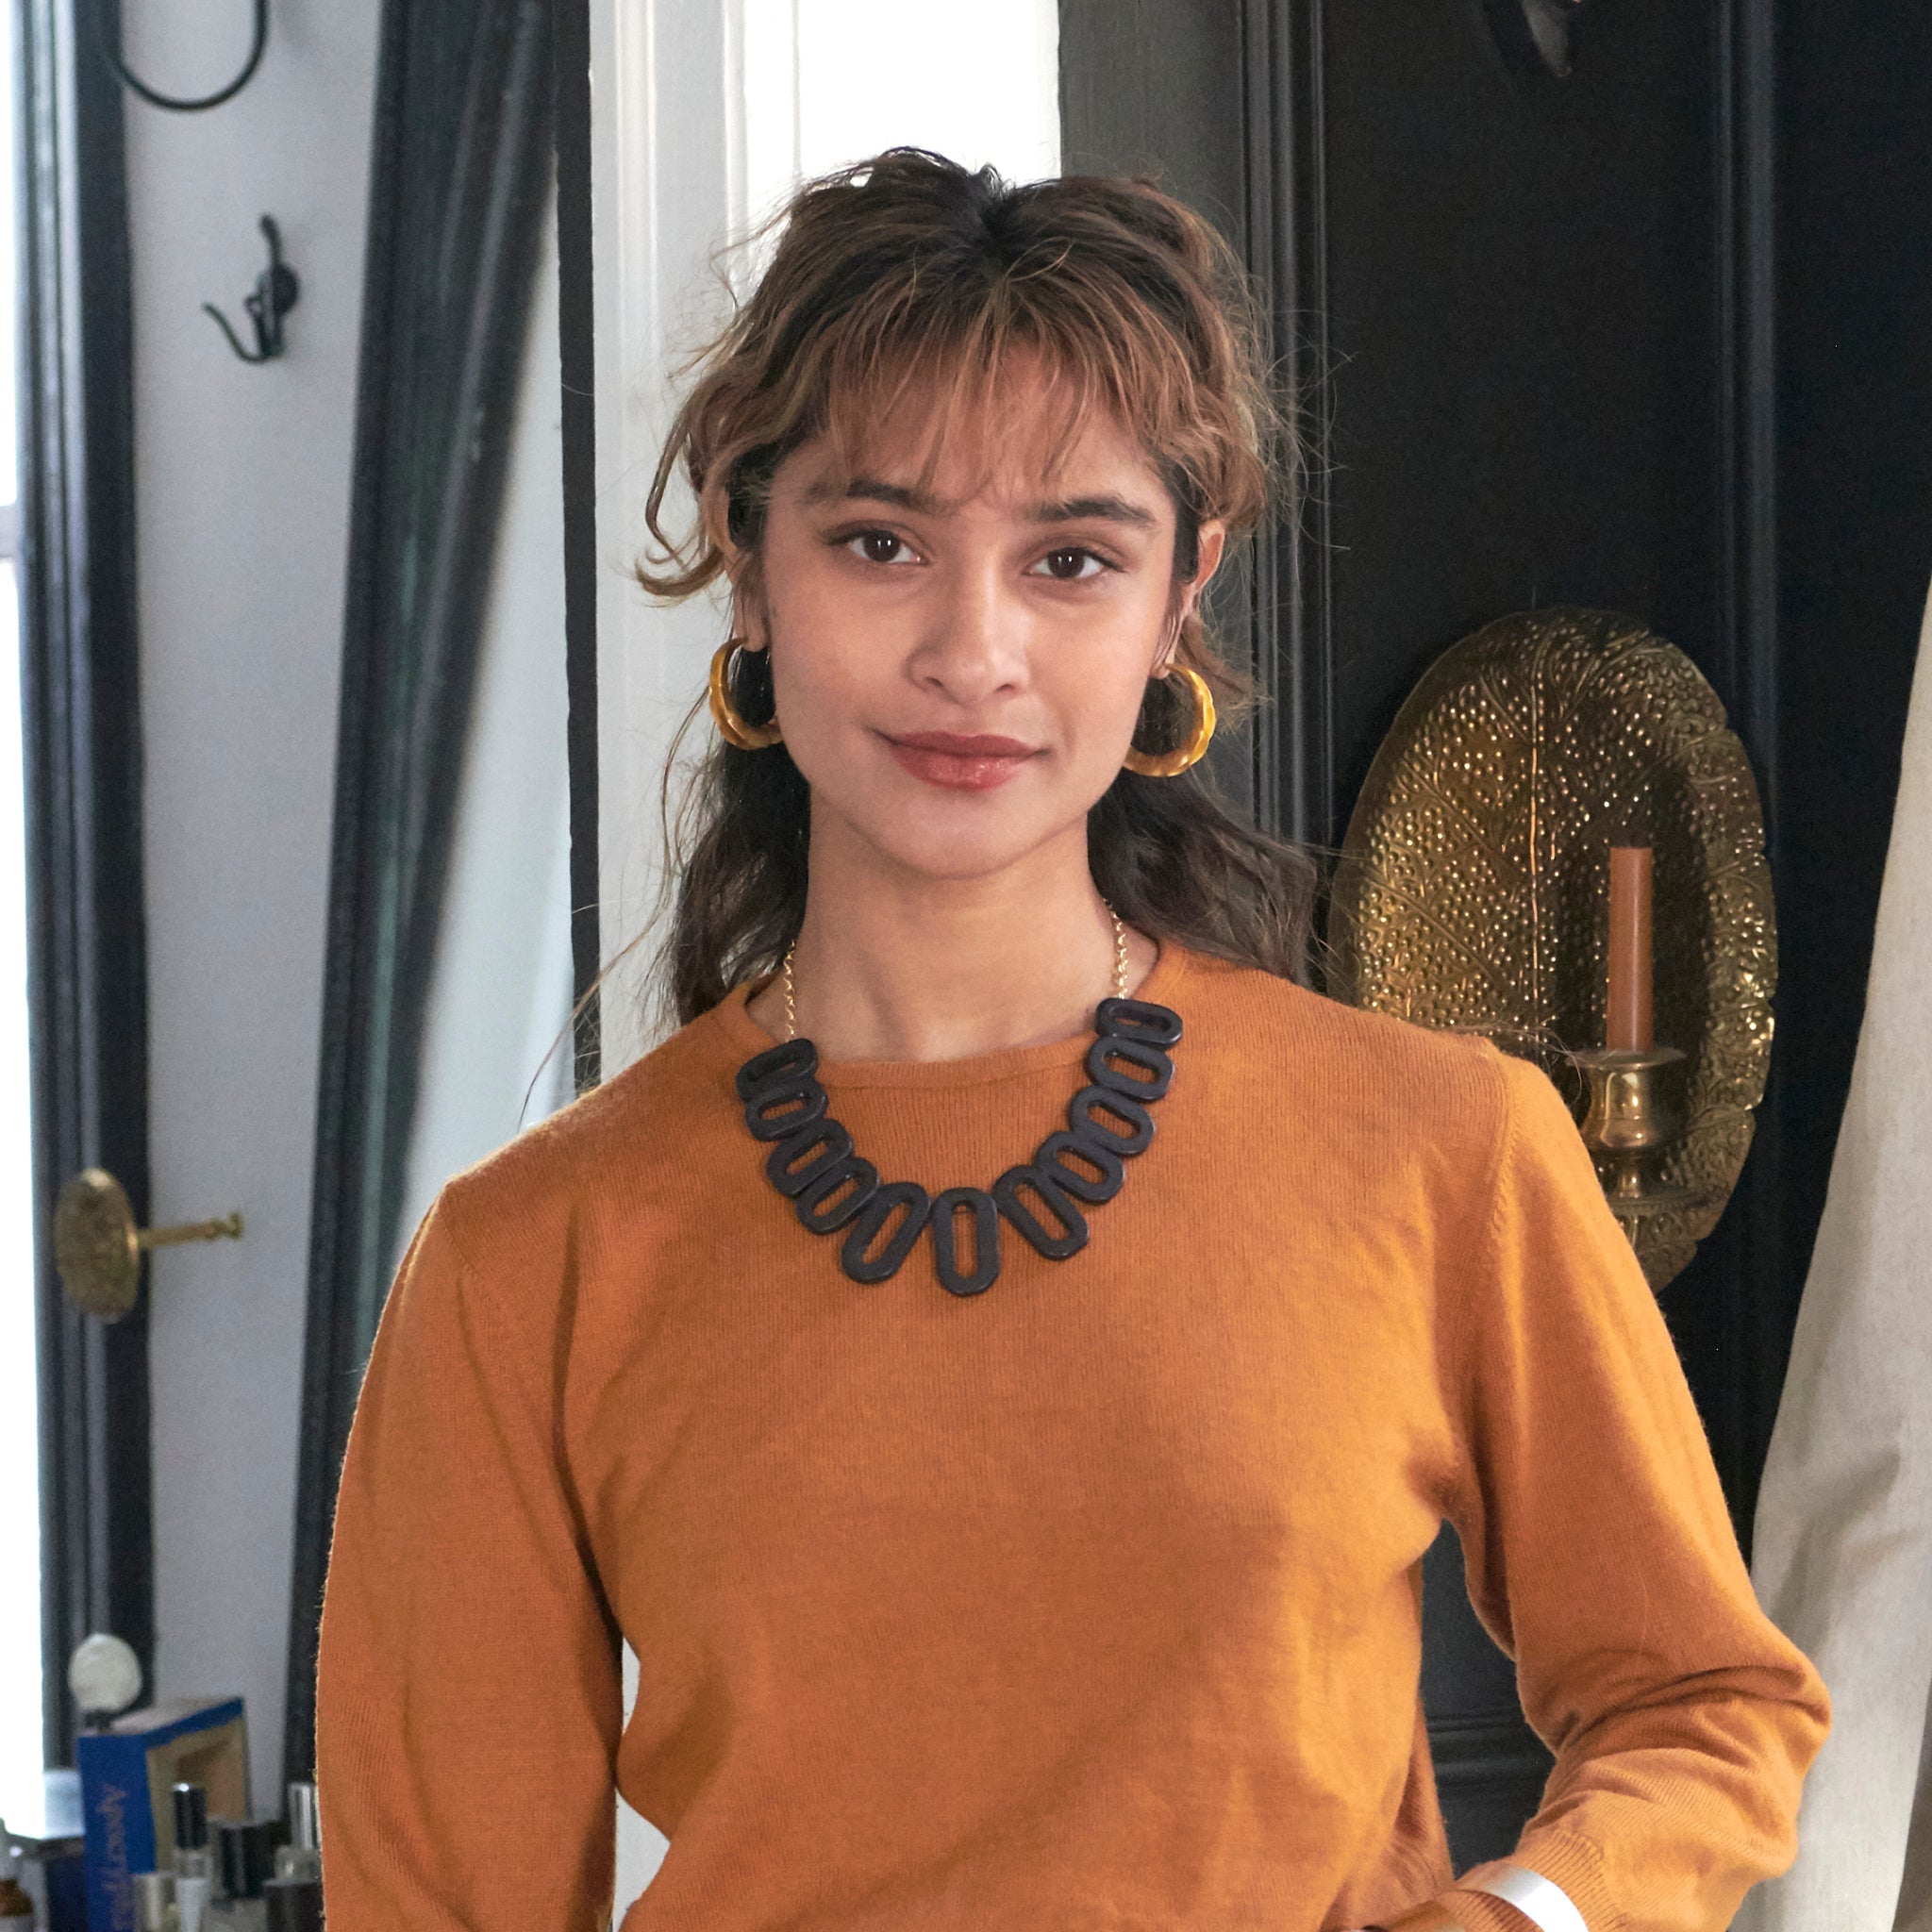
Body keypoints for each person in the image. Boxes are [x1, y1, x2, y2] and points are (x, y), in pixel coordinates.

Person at [313, 148, 1828, 1932]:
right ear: (749, 565)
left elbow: (1706, 1705)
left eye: (1071, 560)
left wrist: (1525, 1920)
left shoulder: (1444, 1148)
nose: (976, 650)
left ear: (1181, 595)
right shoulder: (524, 1262)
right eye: (880, 542)